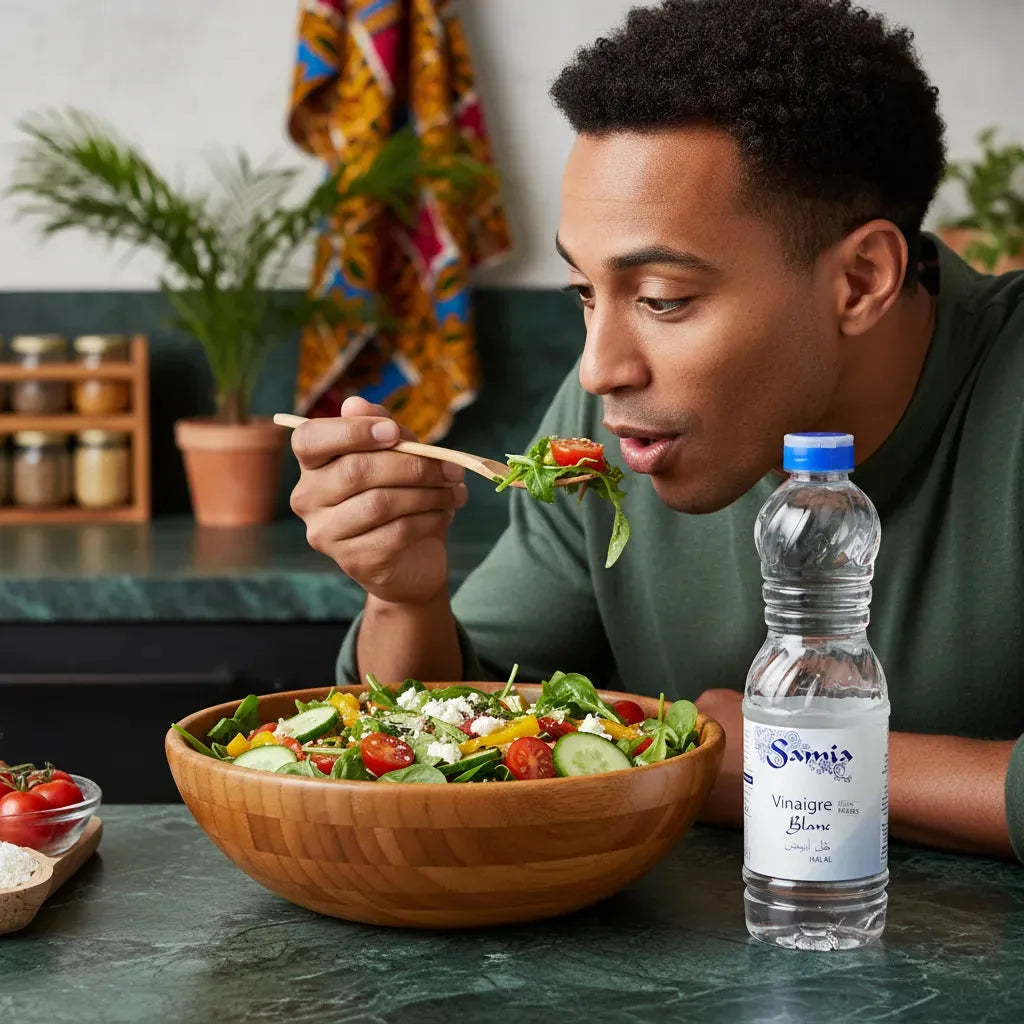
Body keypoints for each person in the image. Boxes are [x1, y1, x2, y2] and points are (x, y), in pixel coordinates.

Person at [288, 0, 1024, 862]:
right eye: (585, 295)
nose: (601, 368)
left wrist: (777, 763)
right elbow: (444, 741)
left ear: (861, 280)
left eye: (663, 299)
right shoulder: (606, 428)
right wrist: (403, 595)